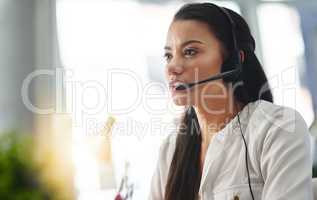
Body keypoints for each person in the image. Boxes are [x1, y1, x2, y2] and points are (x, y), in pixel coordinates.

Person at [149, 2, 313, 200]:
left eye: (190, 52)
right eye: (168, 55)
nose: (172, 67)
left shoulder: (278, 129)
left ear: (233, 61)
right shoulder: (171, 149)